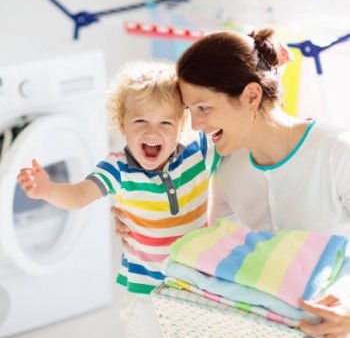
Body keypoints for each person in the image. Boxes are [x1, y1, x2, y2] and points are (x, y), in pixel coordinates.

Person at [116, 29, 350, 337]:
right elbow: (217, 258)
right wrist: (144, 219)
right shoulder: (227, 170)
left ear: (251, 96)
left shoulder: (337, 152)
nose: (196, 125)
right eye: (191, 111)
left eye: (203, 108)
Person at [17, 61, 220, 338]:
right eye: (140, 121)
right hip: (147, 289)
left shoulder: (197, 154)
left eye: (165, 122)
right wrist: (48, 190)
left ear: (181, 125)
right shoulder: (118, 168)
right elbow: (79, 195)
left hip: (196, 284)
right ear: (121, 124)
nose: (152, 132)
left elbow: (230, 122)